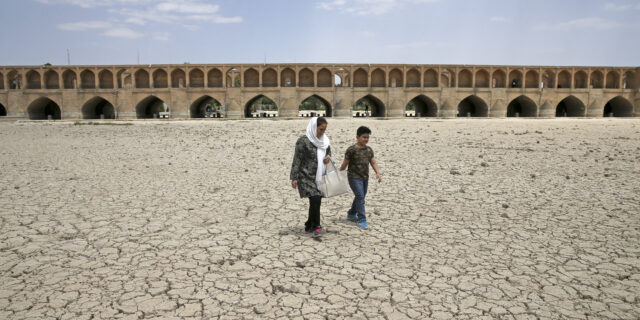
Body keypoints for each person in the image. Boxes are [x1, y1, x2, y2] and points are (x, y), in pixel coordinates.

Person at [290, 117, 331, 237]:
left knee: (315, 200)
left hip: (319, 175)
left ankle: (309, 224)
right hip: (305, 176)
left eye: (324, 130)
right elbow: (297, 159)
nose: (322, 132)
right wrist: (294, 177)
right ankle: (317, 226)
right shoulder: (303, 141)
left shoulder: (325, 141)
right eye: (320, 129)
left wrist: (328, 158)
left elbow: (329, 154)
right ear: (314, 127)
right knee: (315, 199)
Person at [340, 126, 381, 229]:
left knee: (360, 196)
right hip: (353, 177)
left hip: (364, 177)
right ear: (357, 137)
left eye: (367, 137)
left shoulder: (369, 150)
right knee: (360, 197)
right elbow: (345, 164)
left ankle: (351, 213)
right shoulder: (351, 150)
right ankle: (362, 218)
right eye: (364, 137)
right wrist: (339, 173)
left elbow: (373, 162)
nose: (366, 139)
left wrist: (378, 173)